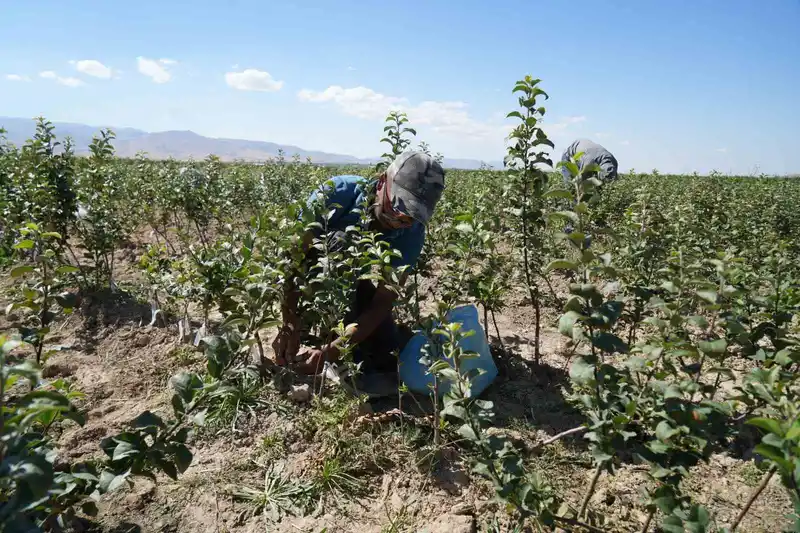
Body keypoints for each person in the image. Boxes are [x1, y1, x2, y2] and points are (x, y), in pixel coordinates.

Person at [271, 151, 445, 375]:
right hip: (312, 277)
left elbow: (383, 299)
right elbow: (291, 260)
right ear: (383, 182)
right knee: (340, 242)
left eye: (412, 215)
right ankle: (308, 325)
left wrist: (331, 352)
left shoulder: (412, 231)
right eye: (399, 207)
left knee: (386, 350)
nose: (403, 220)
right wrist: (289, 324)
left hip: (353, 285)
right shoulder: (337, 193)